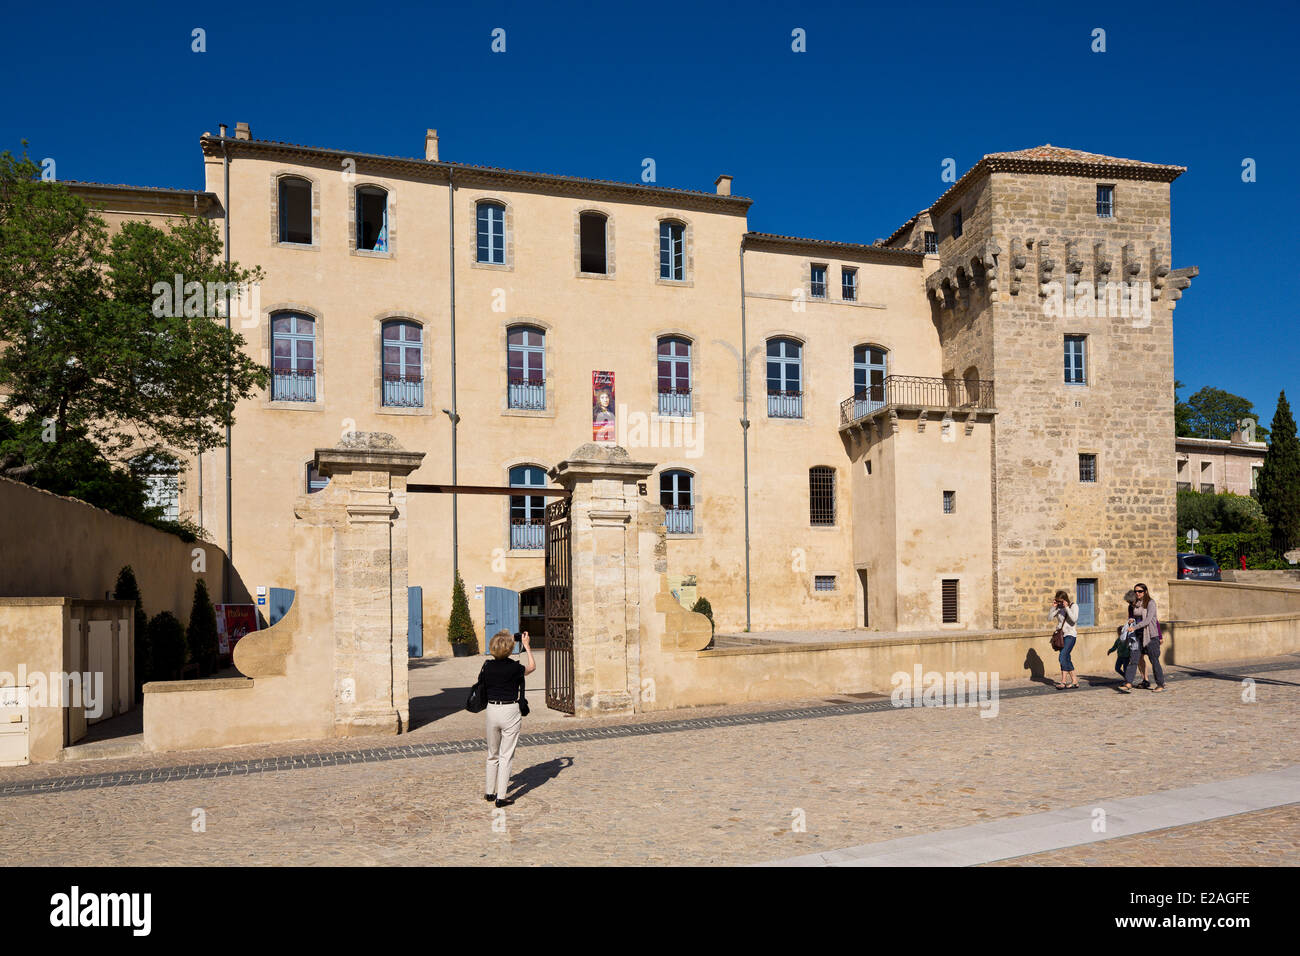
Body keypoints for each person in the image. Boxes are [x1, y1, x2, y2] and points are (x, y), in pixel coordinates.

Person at [482, 629, 536, 807]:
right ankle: (501, 797)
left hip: (492, 709)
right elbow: (532, 667)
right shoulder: (515, 668)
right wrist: (526, 646)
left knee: (492, 753)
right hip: (510, 710)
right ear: (509, 648)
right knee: (506, 755)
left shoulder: (487, 666)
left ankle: (490, 792)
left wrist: (505, 639)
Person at [1120, 583, 1165, 693]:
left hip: (1150, 636)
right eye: (1136, 591)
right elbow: (1131, 617)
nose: (1137, 593)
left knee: (1154, 661)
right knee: (1134, 659)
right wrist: (1131, 620)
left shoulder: (1150, 603)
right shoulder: (1133, 604)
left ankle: (1160, 684)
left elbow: (1149, 620)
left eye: (1140, 591)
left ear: (1145, 592)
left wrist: (1159, 636)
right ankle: (1128, 683)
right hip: (1137, 637)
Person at [1049, 589, 1080, 689]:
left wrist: (1066, 607)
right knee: (1066, 658)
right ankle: (1074, 681)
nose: (1059, 603)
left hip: (1070, 635)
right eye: (1057, 601)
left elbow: (1074, 619)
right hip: (1061, 637)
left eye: (1060, 601)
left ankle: (1063, 681)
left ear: (1065, 599)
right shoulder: (1058, 608)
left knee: (1062, 657)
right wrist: (1053, 607)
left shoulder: (1073, 606)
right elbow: (1049, 618)